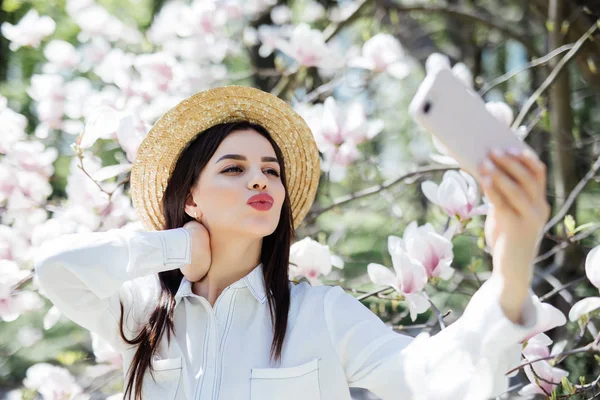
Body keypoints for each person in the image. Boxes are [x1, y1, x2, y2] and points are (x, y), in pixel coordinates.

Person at [34, 86, 550, 400]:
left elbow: (432, 379)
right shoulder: (144, 313)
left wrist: (512, 271)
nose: (260, 181)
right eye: (234, 169)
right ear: (190, 198)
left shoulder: (321, 314)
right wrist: (174, 249)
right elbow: (55, 268)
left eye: (270, 171)